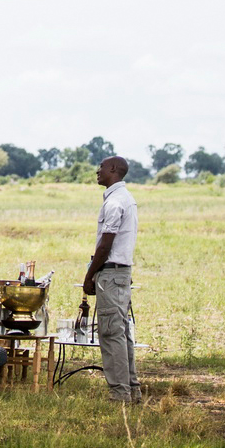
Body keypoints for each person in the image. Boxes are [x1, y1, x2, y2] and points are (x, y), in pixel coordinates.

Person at [81, 156, 141, 403]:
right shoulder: (125, 198)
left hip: (111, 273)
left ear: (113, 169)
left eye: (102, 167)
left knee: (110, 333)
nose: (98, 171)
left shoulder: (115, 202)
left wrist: (89, 276)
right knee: (121, 332)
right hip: (120, 273)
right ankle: (132, 390)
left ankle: (119, 394)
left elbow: (106, 245)